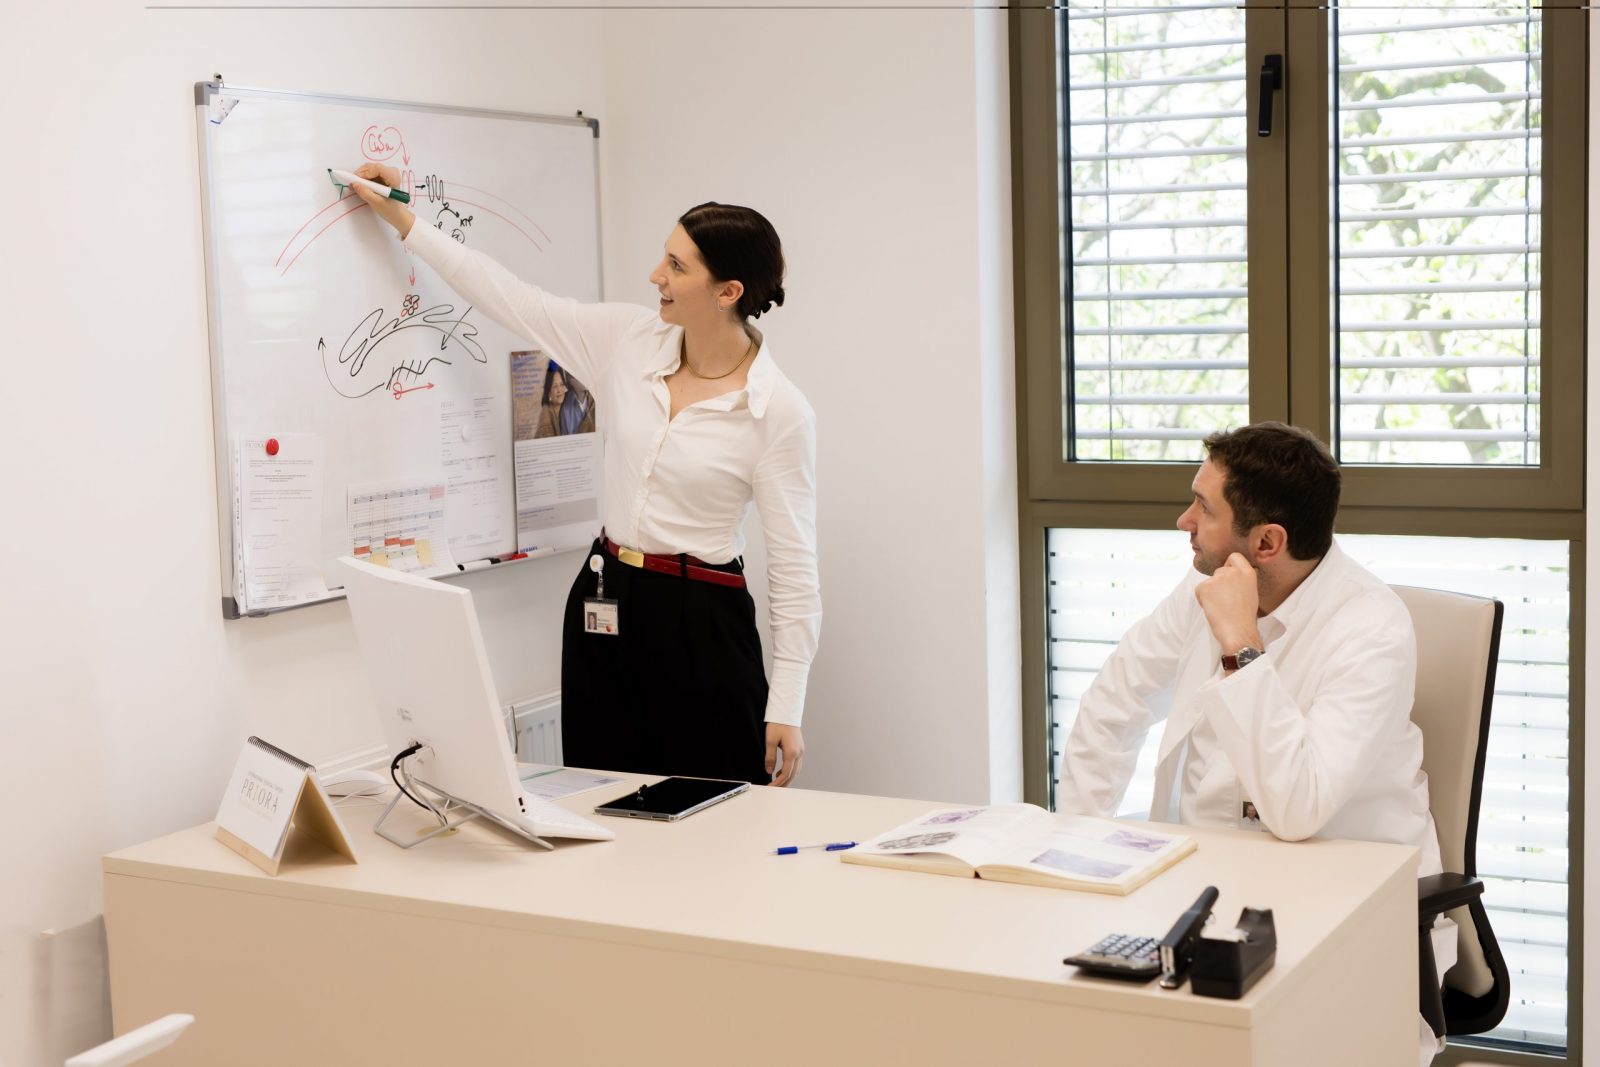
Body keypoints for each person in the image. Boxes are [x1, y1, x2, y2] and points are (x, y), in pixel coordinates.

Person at [349, 165, 818, 787]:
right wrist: (405, 219)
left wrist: (786, 705)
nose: (657, 275)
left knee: (716, 811)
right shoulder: (628, 340)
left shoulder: (778, 410)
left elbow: (794, 572)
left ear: (727, 291)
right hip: (607, 598)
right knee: (601, 796)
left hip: (703, 619)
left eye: (677, 266)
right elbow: (511, 298)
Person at [1057, 422, 1443, 1062]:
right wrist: (1081, 846)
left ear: (1267, 542)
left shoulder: (1372, 629)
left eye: (1204, 509)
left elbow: (1298, 809)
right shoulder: (1201, 589)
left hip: (1342, 909)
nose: (1183, 520)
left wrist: (1242, 645)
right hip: (1207, 887)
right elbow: (1115, 702)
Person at [534, 361, 595, 438]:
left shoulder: (569, 402)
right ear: (548, 391)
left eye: (562, 385)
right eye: (555, 386)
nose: (559, 390)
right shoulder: (546, 417)